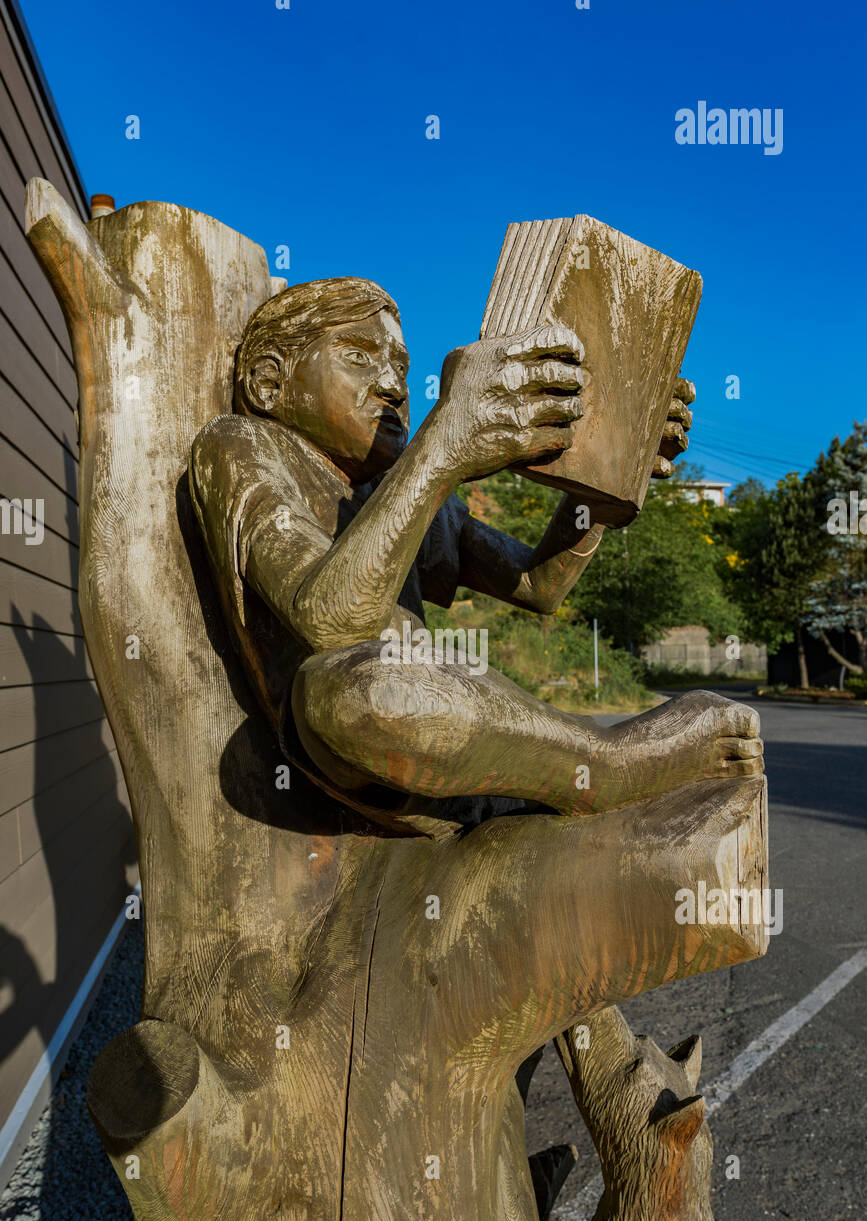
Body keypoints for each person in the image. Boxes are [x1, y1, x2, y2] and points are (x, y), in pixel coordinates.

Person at [190, 276, 761, 833]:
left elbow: (537, 585)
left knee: (392, 685)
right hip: (345, 756)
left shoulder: (403, 484)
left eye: (402, 368)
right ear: (270, 383)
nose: (392, 383)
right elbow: (330, 625)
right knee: (353, 692)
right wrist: (442, 446)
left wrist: (607, 485)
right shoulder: (242, 445)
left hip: (441, 740)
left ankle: (541, 776)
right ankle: (606, 764)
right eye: (359, 356)